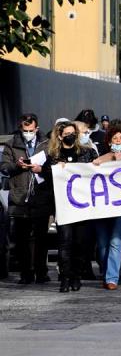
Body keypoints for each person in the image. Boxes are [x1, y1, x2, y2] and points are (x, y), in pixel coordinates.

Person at [0, 113, 53, 284]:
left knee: (41, 237)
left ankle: (41, 271)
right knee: (22, 238)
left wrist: (41, 169)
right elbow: (4, 167)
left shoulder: (46, 144)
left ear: (36, 128)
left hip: (41, 195)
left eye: (31, 130)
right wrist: (17, 165)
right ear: (20, 128)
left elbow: (54, 166)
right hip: (19, 196)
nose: (28, 133)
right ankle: (26, 273)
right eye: (25, 130)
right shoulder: (11, 144)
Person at [47, 121, 98, 292]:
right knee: (65, 243)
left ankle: (76, 276)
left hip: (82, 206)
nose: (71, 136)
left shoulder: (86, 152)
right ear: (60, 136)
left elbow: (97, 169)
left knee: (80, 243)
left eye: (73, 133)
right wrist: (55, 168)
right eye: (67, 133)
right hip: (63, 206)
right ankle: (65, 277)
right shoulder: (53, 155)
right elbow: (47, 177)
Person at [93, 126, 121, 290]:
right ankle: (106, 270)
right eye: (115, 138)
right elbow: (93, 166)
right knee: (103, 245)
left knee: (115, 242)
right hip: (102, 206)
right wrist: (108, 158)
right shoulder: (101, 156)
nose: (118, 141)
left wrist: (119, 161)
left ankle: (112, 278)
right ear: (109, 141)